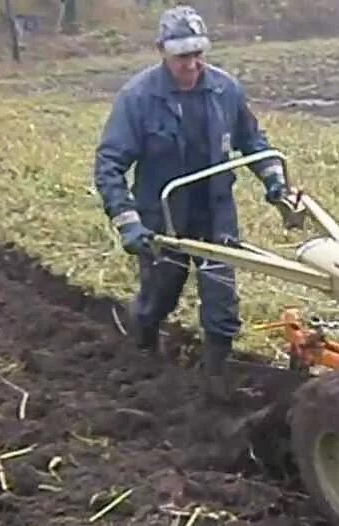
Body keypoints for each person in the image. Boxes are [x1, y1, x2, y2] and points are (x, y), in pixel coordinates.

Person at [93, 5, 287, 401]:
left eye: (199, 54)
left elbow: (253, 141)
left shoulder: (224, 90)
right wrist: (127, 220)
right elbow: (109, 164)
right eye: (183, 56)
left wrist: (274, 179)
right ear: (161, 51)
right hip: (164, 218)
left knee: (222, 299)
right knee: (160, 294)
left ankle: (215, 376)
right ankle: (145, 348)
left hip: (216, 212)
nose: (193, 64)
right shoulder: (138, 98)